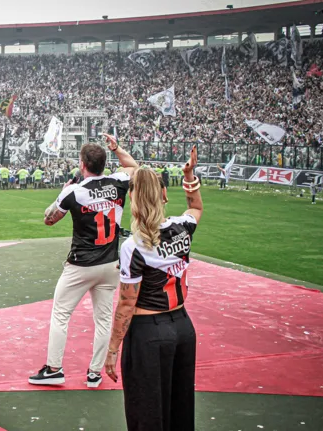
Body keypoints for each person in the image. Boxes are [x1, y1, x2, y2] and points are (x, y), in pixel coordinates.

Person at [104, 146, 202, 431]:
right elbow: (195, 207)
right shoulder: (182, 227)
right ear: (163, 195)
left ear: (132, 197)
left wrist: (112, 349)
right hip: (183, 327)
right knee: (180, 408)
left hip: (148, 332)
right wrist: (189, 175)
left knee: (146, 411)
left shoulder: (134, 246)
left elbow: (126, 303)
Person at [29, 134, 137, 388]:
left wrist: (60, 194)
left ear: (82, 164)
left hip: (81, 264)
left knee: (60, 314)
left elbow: (49, 219)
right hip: (111, 262)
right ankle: (94, 373)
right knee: (103, 319)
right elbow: (134, 167)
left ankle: (54, 369)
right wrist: (118, 148)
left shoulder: (74, 192)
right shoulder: (119, 181)